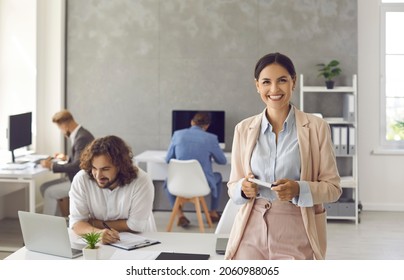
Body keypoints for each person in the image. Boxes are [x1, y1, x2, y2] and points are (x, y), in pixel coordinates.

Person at [225, 52, 342, 260]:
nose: (274, 89)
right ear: (257, 86)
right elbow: (233, 186)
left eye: (282, 81)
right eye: (266, 82)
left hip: (297, 228)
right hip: (250, 229)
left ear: (293, 82)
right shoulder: (243, 129)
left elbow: (333, 189)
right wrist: (242, 188)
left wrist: (299, 188)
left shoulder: (316, 128)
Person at [69, 135, 156, 244]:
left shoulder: (141, 181)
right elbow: (76, 223)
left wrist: (94, 223)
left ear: (120, 166)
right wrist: (97, 233)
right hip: (101, 242)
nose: (98, 175)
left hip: (142, 241)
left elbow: (135, 225)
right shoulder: (81, 179)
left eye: (105, 169)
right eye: (94, 168)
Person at [165, 112, 227, 228]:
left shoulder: (177, 135)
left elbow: (168, 159)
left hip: (179, 184)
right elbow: (222, 161)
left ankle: (180, 215)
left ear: (192, 122)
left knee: (167, 180)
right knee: (218, 177)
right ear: (207, 125)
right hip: (201, 185)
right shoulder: (211, 138)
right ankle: (213, 212)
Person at [40, 109, 94, 216]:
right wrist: (67, 158)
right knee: (43, 187)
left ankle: (49, 226)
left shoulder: (81, 138)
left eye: (60, 128)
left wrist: (51, 165)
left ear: (64, 125)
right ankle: (61, 219)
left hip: (81, 180)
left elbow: (77, 166)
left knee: (49, 192)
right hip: (74, 176)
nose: (61, 131)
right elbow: (80, 159)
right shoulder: (80, 134)